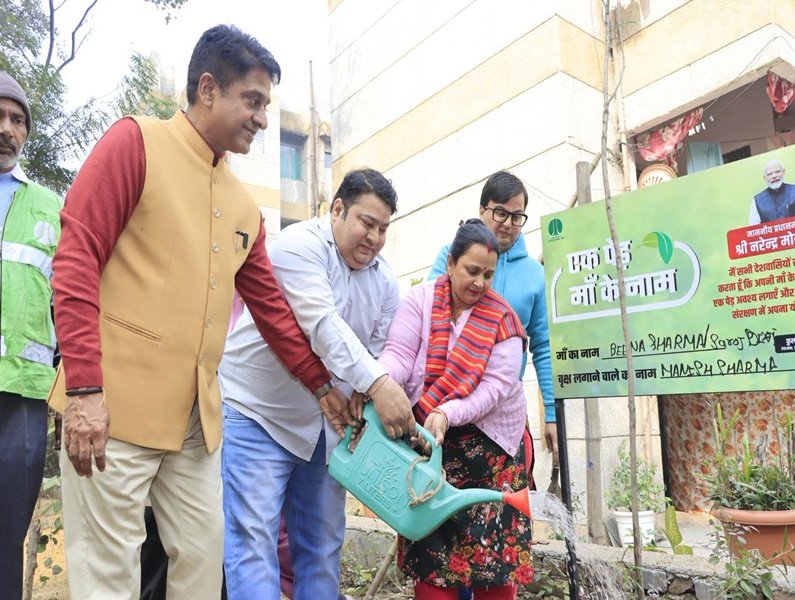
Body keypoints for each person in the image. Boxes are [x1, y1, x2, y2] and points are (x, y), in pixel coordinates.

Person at [48, 25, 352, 600]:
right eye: (253, 101)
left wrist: (320, 386)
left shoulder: (242, 204)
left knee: (204, 564)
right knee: (107, 577)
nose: (262, 119)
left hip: (195, 425)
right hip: (112, 410)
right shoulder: (135, 143)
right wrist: (85, 391)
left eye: (267, 105)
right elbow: (75, 258)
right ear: (208, 88)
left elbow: (272, 312)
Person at [218, 168, 416, 600]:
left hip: (327, 432)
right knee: (252, 545)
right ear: (338, 209)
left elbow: (379, 350)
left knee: (322, 550)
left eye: (384, 229)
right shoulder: (298, 246)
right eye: (367, 223)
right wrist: (380, 385)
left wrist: (369, 389)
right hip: (257, 417)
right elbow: (322, 326)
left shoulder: (385, 282)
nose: (375, 238)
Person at [379, 219, 534, 600]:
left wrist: (448, 412)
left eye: (488, 274)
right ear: (450, 264)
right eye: (471, 270)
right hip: (431, 447)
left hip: (490, 451)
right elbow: (399, 355)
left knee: (494, 561)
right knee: (433, 553)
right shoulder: (421, 301)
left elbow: (495, 389)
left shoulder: (503, 320)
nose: (480, 283)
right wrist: (378, 384)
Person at [429, 171, 557, 478]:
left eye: (517, 216)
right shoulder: (452, 256)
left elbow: (543, 347)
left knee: (499, 509)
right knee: (436, 505)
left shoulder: (533, 274)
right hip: (446, 403)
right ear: (482, 210)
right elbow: (428, 319)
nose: (508, 223)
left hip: (501, 409)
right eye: (500, 212)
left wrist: (552, 415)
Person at [0, 71, 62, 599]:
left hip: (23, 394)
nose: (7, 129)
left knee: (7, 534)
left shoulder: (48, 205)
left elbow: (69, 295)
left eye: (17, 120)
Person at [749, 159, 795, 224]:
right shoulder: (757, 200)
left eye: (777, 171)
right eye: (769, 174)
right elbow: (753, 228)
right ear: (765, 178)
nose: (774, 176)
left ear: (783, 172)